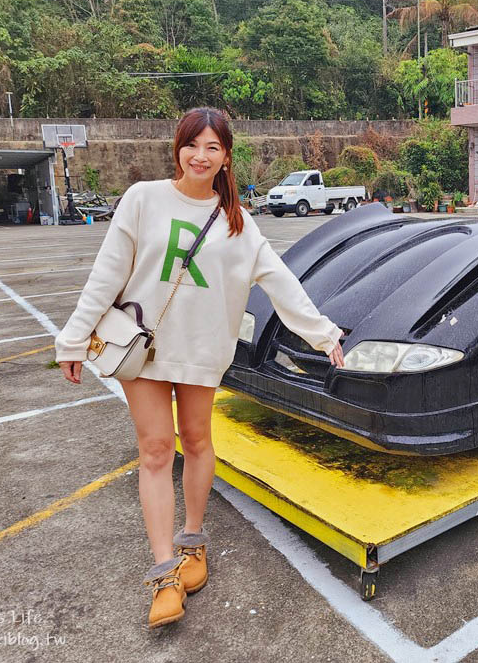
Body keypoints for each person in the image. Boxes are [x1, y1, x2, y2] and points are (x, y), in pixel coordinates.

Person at [54, 107, 345, 629]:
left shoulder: (239, 224)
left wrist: (323, 335)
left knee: (198, 441)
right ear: (178, 148)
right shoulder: (144, 199)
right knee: (156, 449)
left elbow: (282, 284)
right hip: (142, 351)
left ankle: (193, 541)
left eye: (213, 147)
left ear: (226, 157)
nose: (201, 156)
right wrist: (73, 339)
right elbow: (107, 274)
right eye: (193, 145)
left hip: (201, 352)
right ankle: (165, 571)